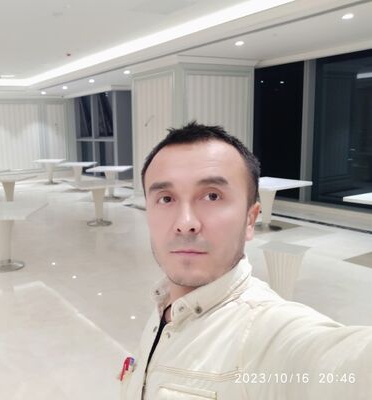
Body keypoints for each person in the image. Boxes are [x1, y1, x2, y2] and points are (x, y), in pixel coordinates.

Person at [119, 121, 372, 399]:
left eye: (212, 196)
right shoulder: (164, 303)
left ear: (250, 219)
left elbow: (342, 365)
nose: (185, 223)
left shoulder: (265, 333)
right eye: (166, 199)